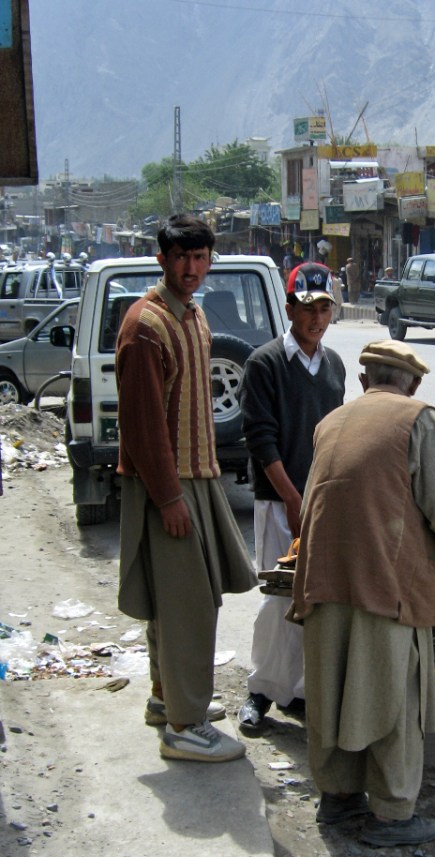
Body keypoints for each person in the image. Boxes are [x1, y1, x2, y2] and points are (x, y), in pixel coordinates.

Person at [291, 340, 435, 847]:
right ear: (412, 384)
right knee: (394, 698)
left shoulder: (332, 421)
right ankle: (392, 814)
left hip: (323, 578)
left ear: (365, 381)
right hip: (385, 585)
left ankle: (338, 799)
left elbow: (314, 501)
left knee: (332, 690)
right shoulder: (420, 419)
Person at [116, 214, 257, 763]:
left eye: (200, 258)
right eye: (181, 258)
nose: (192, 268)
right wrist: (169, 497)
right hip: (169, 485)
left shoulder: (193, 317)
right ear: (162, 260)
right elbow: (144, 425)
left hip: (197, 477)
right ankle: (185, 724)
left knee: (177, 601)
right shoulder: (145, 327)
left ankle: (165, 698)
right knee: (188, 606)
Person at [238, 262, 346, 733]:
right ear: (289, 310)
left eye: (324, 308)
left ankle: (298, 691)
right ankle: (261, 691)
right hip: (277, 499)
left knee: (316, 601)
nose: (316, 318)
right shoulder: (264, 364)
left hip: (321, 503)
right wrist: (292, 498)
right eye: (307, 309)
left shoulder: (335, 365)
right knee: (277, 599)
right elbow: (261, 440)